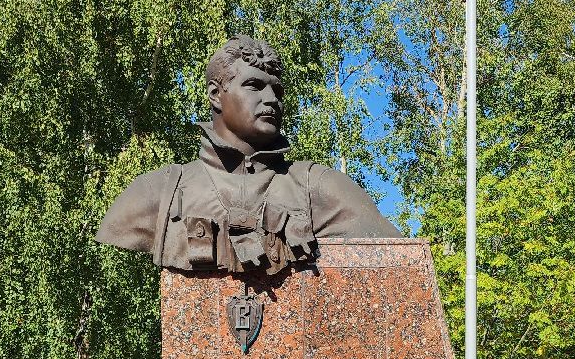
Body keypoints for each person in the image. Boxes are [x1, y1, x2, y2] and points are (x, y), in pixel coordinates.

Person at [97, 36, 398, 275]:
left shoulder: (320, 188)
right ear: (216, 95)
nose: (271, 100)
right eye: (254, 86)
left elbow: (402, 259)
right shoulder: (157, 193)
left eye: (277, 91)